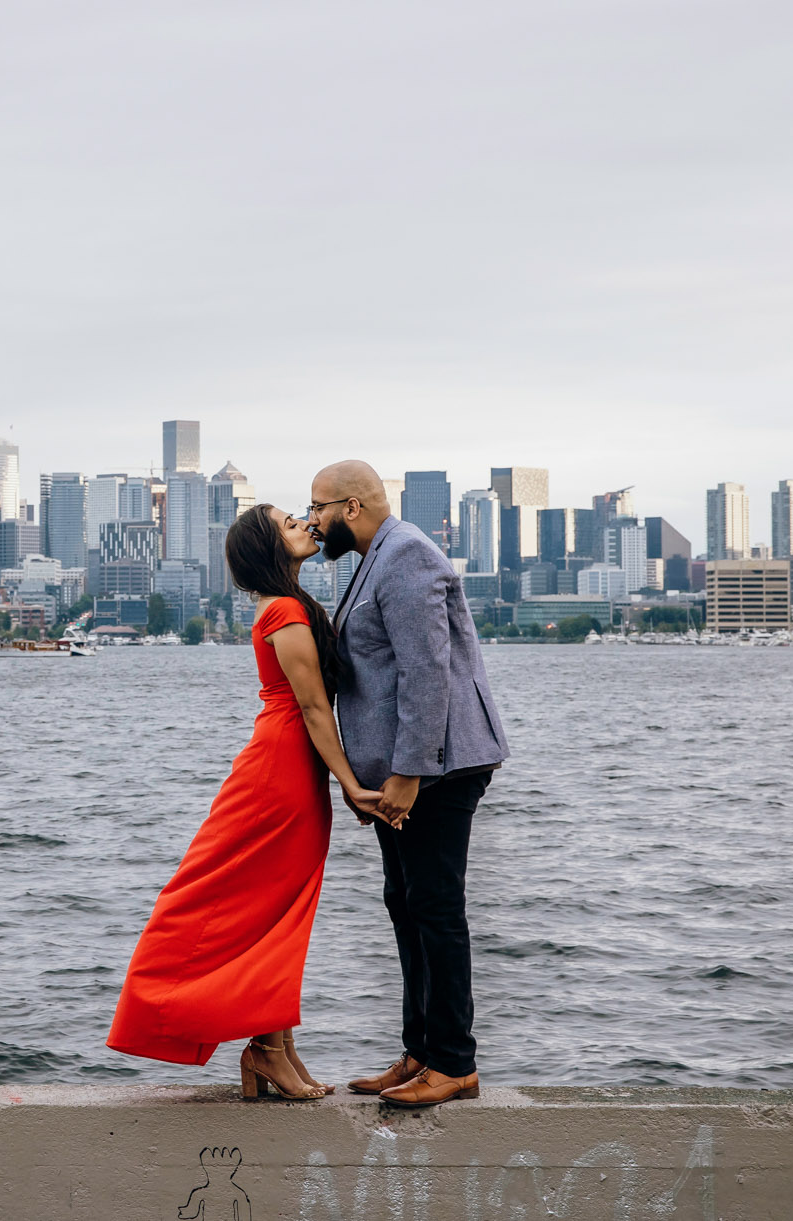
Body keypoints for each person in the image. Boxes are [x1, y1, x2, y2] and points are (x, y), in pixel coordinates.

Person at [108, 504, 386, 1099]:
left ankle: (276, 1049)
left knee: (279, 911)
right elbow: (312, 706)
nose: (306, 526)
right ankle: (263, 1048)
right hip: (282, 768)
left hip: (289, 764)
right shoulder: (284, 609)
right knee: (269, 907)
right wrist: (349, 782)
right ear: (268, 547)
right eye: (291, 523)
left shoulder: (286, 603)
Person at [308, 460, 510, 1107]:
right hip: (414, 769)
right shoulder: (376, 556)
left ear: (354, 508)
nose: (313, 520)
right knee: (406, 901)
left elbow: (427, 676)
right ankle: (420, 1049)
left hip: (440, 768)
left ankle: (454, 1061)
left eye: (319, 508)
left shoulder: (407, 556)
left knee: (434, 905)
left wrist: (404, 775)